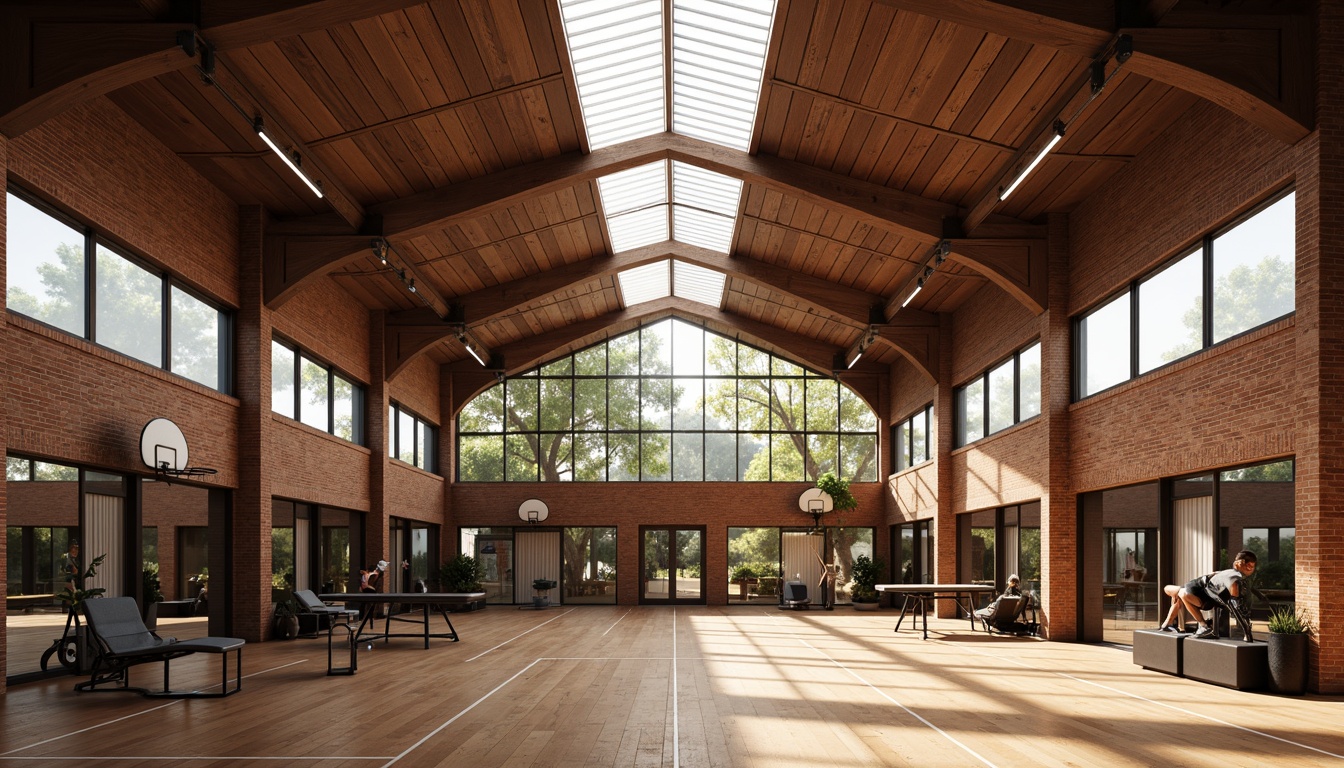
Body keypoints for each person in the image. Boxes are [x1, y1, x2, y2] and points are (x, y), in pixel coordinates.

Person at [1158, 550, 1257, 638]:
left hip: (1203, 593)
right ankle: (1202, 626)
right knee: (1177, 592)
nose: (1250, 569)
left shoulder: (1236, 578)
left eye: (1252, 566)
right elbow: (1234, 589)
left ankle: (1167, 625)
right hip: (1197, 588)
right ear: (1239, 564)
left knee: (1177, 592)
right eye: (1248, 566)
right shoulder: (1233, 575)